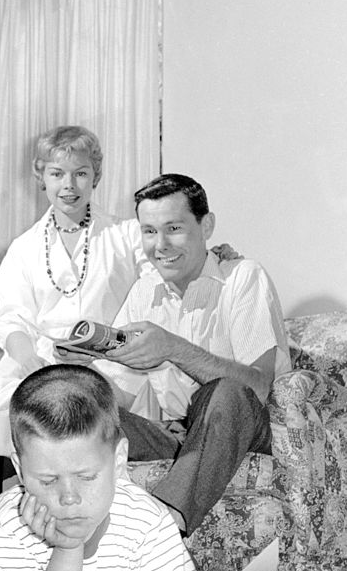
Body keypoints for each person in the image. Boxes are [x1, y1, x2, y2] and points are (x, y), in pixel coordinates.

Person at [0, 125, 146, 508]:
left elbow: (164, 267)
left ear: (97, 175)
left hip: (109, 358)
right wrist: (29, 361)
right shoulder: (24, 247)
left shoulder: (126, 235)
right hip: (41, 356)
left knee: (77, 401)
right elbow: (12, 319)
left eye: (81, 173)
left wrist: (211, 256)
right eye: (57, 173)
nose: (69, 185)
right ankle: (9, 508)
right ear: (40, 175)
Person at [102, 173, 291, 536]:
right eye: (149, 231)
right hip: (184, 434)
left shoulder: (243, 277)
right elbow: (119, 395)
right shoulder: (145, 291)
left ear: (207, 226)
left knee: (226, 390)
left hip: (251, 426)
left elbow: (257, 388)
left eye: (173, 228)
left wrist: (173, 347)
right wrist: (80, 376)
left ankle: (163, 529)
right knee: (78, 405)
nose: (160, 245)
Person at [0, 365, 205, 571]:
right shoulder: (6, 520)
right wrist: (69, 547)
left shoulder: (148, 521)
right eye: (48, 480)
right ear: (20, 468)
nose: (69, 497)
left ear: (118, 460)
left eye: (86, 477)